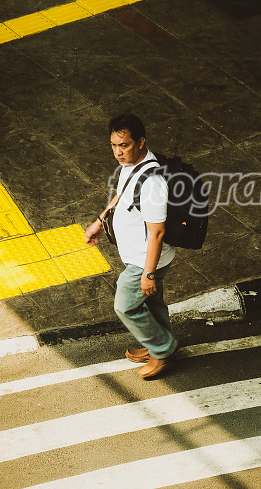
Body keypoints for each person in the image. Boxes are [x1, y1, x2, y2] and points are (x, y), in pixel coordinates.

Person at [84, 113, 178, 379]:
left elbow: (157, 232)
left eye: (124, 145)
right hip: (141, 256)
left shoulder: (152, 183)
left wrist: (148, 274)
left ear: (141, 142)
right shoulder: (133, 164)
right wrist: (99, 222)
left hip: (145, 260)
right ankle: (158, 342)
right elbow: (122, 195)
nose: (118, 152)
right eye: (114, 145)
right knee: (152, 303)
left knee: (125, 306)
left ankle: (162, 349)